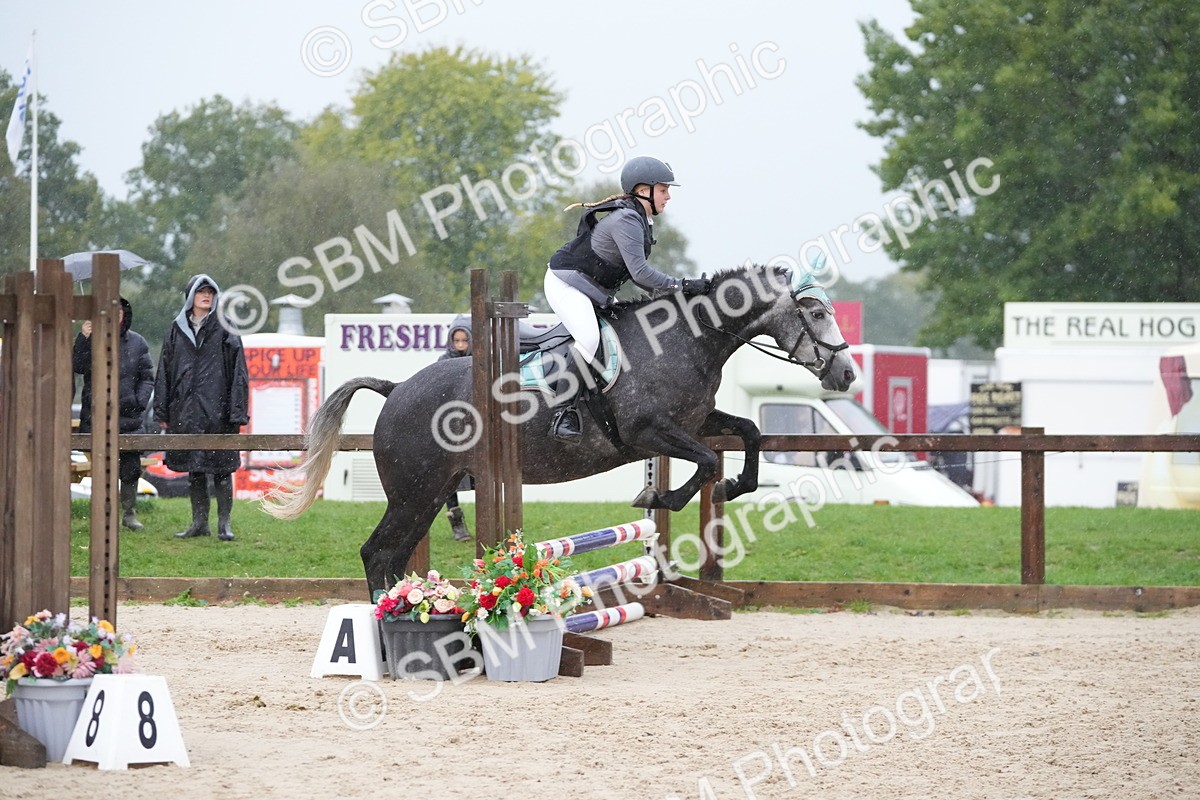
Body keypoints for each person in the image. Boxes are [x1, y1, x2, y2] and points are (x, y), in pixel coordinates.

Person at [543, 155, 711, 442]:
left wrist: (678, 296)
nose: (668, 196)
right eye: (663, 189)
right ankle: (563, 413)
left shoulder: (640, 218)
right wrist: (683, 285)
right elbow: (641, 275)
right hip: (565, 285)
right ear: (643, 190)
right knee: (589, 339)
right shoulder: (627, 219)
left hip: (592, 290)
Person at [154, 274, 250, 541]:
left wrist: (237, 412)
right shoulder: (176, 329)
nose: (206, 295)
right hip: (186, 413)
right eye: (200, 291)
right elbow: (164, 372)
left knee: (221, 468)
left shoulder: (225, 327)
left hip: (218, 413)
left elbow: (239, 373)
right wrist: (161, 412)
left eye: (210, 291)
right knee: (195, 469)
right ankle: (199, 523)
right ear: (191, 297)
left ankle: (224, 524)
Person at [73, 296, 155, 531]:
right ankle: (102, 516)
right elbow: (78, 365)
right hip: (97, 416)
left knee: (129, 469)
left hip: (129, 418)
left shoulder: (138, 343)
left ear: (124, 316)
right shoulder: (92, 339)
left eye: (119, 312)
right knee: (101, 468)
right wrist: (84, 337)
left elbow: (147, 376)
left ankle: (129, 514)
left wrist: (138, 401)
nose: (115, 316)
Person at [438, 314, 474, 542]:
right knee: (447, 477)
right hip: (450, 428)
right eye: (457, 341)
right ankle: (457, 524)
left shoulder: (481, 361)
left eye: (465, 341)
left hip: (476, 427)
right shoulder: (443, 362)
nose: (460, 346)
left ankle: (488, 521)